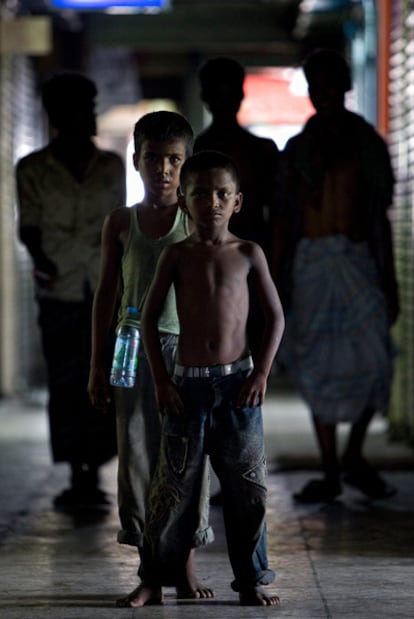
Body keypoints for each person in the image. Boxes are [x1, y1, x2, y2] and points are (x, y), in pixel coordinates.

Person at [136, 150, 285, 607]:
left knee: (248, 488)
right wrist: (162, 382)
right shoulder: (176, 255)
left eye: (223, 194)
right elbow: (147, 320)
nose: (212, 202)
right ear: (184, 200)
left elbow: (275, 317)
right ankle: (153, 578)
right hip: (187, 386)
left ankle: (250, 580)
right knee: (173, 488)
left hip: (238, 386)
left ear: (237, 202)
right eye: (201, 193)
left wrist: (260, 371)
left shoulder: (248, 253)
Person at [87, 111, 214, 606]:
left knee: (186, 459)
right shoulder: (121, 222)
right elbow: (106, 295)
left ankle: (184, 563)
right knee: (137, 459)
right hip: (129, 349)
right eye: (154, 159)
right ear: (136, 160)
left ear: (187, 165)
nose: (164, 169)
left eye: (175, 160)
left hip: (185, 351)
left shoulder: (197, 221)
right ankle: (149, 572)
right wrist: (98, 365)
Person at [274, 49, 399, 503]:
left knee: (374, 358)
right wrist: (278, 276)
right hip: (310, 266)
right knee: (316, 365)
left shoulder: (365, 142)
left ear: (344, 87)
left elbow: (379, 217)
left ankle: (354, 456)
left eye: (329, 85)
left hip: (357, 260)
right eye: (315, 86)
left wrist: (390, 279)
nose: (322, 94)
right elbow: (285, 220)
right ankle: (330, 468)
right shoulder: (298, 148)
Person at [15, 72, 126, 509]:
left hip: (105, 289)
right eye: (86, 106)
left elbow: (120, 228)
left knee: (105, 378)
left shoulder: (110, 166)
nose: (93, 114)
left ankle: (95, 467)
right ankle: (78, 470)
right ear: (61, 115)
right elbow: (30, 228)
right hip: (60, 290)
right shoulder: (33, 169)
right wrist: (45, 265)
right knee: (66, 382)